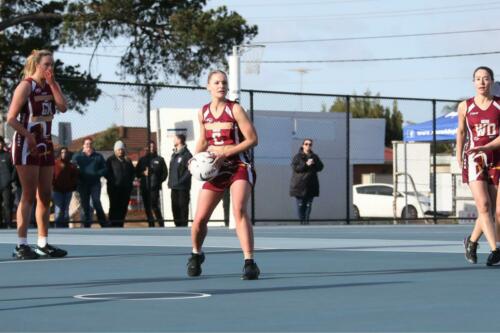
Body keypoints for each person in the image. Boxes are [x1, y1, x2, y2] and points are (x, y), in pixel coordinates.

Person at [187, 70, 260, 280]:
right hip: (215, 169)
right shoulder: (203, 113)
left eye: (224, 82)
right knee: (199, 219)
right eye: (217, 82)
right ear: (208, 87)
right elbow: (203, 140)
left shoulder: (235, 109)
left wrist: (226, 152)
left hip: (238, 165)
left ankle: (249, 262)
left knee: (238, 209)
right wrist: (195, 158)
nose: (221, 85)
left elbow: (252, 139)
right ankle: (196, 254)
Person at [7, 49, 68, 259]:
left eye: (52, 65)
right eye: (47, 65)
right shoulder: (26, 86)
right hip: (26, 143)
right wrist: (28, 136)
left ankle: (43, 243)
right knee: (28, 194)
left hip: (46, 143)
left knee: (45, 194)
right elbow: (11, 118)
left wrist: (52, 84)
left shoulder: (52, 86)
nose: (50, 68)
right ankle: (21, 244)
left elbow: (63, 107)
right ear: (37, 65)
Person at [457, 66, 500, 266]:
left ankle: (472, 242)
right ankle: (495, 249)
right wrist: (459, 156)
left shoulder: (499, 105)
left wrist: (488, 146)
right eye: (478, 79)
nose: (482, 82)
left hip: (496, 158)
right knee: (483, 205)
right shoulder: (465, 106)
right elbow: (461, 133)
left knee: (494, 212)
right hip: (475, 159)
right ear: (473, 82)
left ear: (492, 81)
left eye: (485, 78)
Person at [72, 137, 108, 228]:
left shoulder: (98, 156)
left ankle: (103, 224)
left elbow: (104, 169)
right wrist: (79, 174)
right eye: (87, 143)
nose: (89, 145)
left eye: (90, 143)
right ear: (83, 145)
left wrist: (97, 174)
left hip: (95, 184)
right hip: (82, 184)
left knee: (96, 202)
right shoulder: (77, 156)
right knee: (85, 205)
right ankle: (86, 225)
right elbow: (72, 168)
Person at [289, 139, 324, 225]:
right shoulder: (297, 157)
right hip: (299, 185)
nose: (308, 146)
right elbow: (296, 168)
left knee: (308, 204)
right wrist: (306, 164)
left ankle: (306, 222)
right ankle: (302, 222)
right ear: (302, 145)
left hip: (311, 185)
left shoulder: (314, 157)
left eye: (310, 144)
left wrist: (314, 163)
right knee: (301, 204)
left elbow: (321, 167)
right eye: (306, 144)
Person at [136, 141, 168, 227]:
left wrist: (158, 181)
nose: (152, 148)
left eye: (153, 146)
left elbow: (165, 173)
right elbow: (137, 173)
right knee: (147, 207)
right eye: (150, 146)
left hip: (154, 187)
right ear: (147, 148)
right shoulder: (142, 160)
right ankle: (151, 225)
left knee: (154, 206)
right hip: (145, 187)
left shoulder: (160, 160)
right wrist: (143, 173)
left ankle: (161, 224)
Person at [106, 140, 135, 227]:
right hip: (114, 188)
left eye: (122, 149)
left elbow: (133, 173)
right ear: (115, 150)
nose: (120, 151)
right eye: (119, 149)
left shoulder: (128, 160)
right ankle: (112, 224)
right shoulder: (110, 160)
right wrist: (113, 182)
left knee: (123, 207)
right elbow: (106, 173)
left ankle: (120, 224)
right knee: (114, 206)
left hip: (126, 189)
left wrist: (129, 182)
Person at [168, 133, 192, 227]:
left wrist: (181, 181)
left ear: (179, 140)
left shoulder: (187, 155)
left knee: (183, 209)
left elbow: (190, 171)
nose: (173, 140)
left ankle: (183, 229)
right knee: (175, 209)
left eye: (175, 139)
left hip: (182, 188)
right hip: (174, 186)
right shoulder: (174, 155)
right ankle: (177, 228)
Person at [52, 146, 79, 228]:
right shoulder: (55, 164)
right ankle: (57, 227)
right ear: (59, 153)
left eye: (65, 152)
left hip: (68, 191)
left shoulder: (71, 165)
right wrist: (54, 185)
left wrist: (71, 185)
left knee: (66, 210)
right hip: (57, 191)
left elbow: (75, 177)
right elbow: (51, 176)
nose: (64, 154)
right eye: (62, 152)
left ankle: (65, 228)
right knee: (58, 210)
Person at [0, 137, 14, 229]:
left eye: (1, 143)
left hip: (6, 186)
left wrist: (11, 179)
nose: (0, 145)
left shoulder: (8, 156)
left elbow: (15, 169)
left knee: (8, 205)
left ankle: (9, 224)